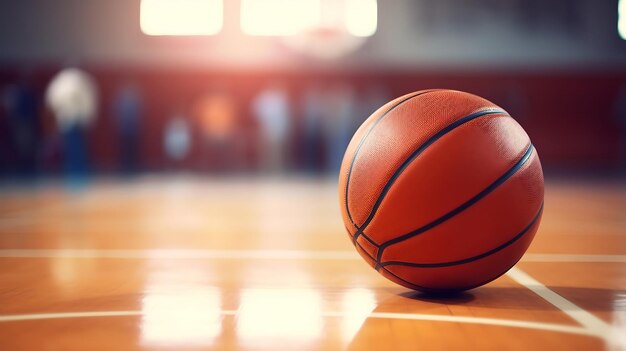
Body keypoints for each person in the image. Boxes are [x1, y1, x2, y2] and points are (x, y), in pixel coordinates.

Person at [45, 67, 98, 183]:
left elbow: (52, 101)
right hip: (71, 121)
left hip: (73, 121)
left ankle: (77, 176)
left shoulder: (65, 83)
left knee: (75, 150)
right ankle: (75, 176)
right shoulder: (70, 82)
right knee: (73, 150)